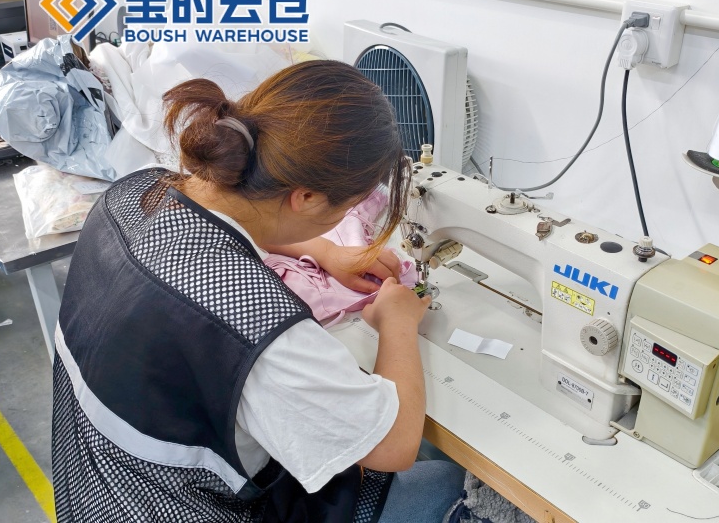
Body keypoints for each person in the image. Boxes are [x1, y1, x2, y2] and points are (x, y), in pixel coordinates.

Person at [52, 60, 465, 522]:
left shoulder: (132, 194)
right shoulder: (256, 324)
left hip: (92, 488)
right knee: (440, 483)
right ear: (306, 198)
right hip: (181, 509)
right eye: (347, 207)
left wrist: (324, 250)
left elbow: (226, 219)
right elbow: (393, 447)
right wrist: (397, 324)